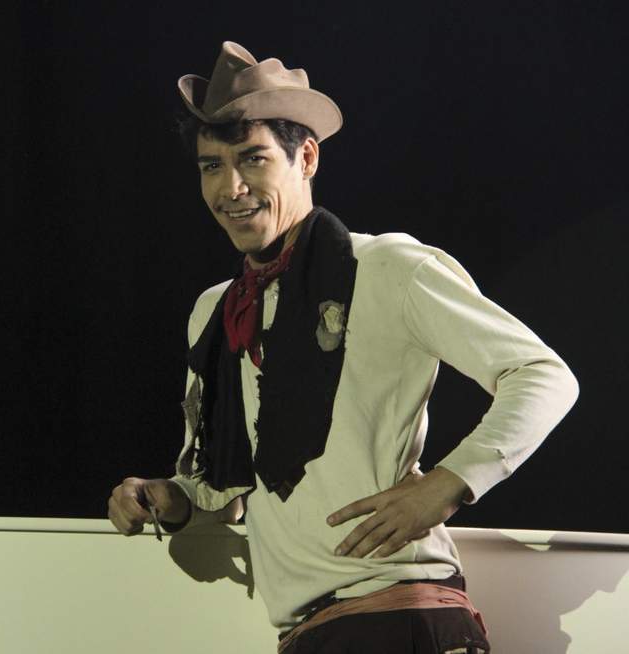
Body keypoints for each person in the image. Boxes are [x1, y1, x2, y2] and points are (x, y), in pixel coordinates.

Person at [107, 41, 579, 653]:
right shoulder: (216, 311)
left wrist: (448, 483)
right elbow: (224, 489)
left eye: (253, 159)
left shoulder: (384, 267)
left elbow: (542, 374)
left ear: (306, 157)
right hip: (310, 634)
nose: (231, 187)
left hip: (402, 614)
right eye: (211, 166)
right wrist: (167, 497)